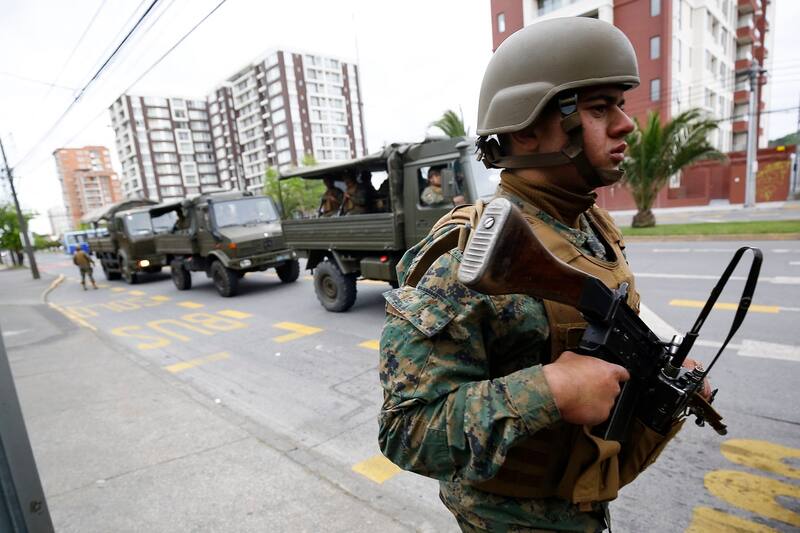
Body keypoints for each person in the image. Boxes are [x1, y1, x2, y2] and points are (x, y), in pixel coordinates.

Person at [378, 18, 710, 532]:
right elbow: (406, 431)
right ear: (528, 129)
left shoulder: (587, 223)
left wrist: (664, 364)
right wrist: (551, 390)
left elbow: (605, 313)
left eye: (620, 105)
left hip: (583, 499)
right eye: (599, 108)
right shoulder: (468, 255)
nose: (626, 124)